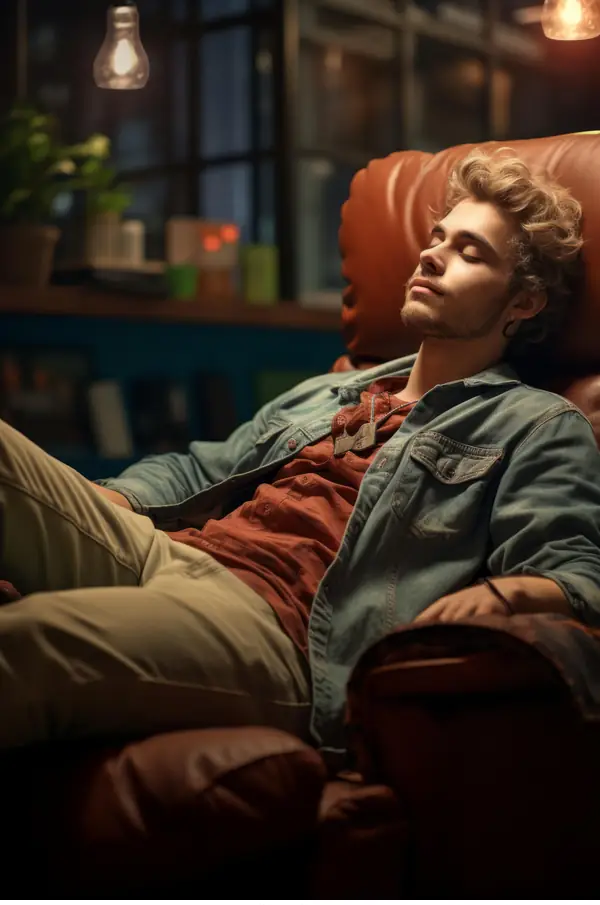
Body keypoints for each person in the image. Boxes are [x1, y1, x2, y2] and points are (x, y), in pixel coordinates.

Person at [1, 149, 599, 758]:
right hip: (173, 553)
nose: (431, 254)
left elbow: (577, 573)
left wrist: (508, 594)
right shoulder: (329, 391)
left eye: (470, 252)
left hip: (277, 628)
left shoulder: (537, 423)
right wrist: (107, 501)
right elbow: (195, 469)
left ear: (523, 303)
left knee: (23, 642)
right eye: (438, 237)